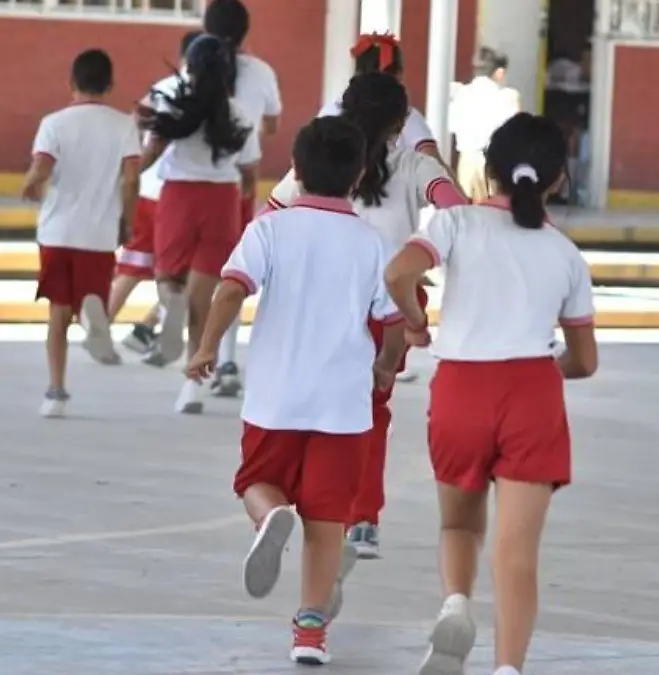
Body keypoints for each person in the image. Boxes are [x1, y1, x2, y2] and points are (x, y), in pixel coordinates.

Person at [184, 116, 407, 666]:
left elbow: (230, 290)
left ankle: (269, 516)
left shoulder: (269, 229)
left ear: (296, 171)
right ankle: (310, 632)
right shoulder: (373, 242)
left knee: (254, 482)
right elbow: (394, 320)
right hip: (344, 403)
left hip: (276, 396)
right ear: (358, 175)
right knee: (327, 522)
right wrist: (385, 366)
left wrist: (206, 347)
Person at [383, 113, 599, 675]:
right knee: (516, 556)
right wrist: (548, 368)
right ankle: (507, 669)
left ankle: (456, 603)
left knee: (458, 524)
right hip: (532, 394)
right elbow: (584, 361)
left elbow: (398, 274)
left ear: (487, 170)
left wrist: (415, 324)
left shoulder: (455, 223)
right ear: (557, 179)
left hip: (461, 389)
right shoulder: (565, 254)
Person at [262, 73, 467, 560]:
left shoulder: (324, 161)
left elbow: (271, 214)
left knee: (307, 403)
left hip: (320, 301)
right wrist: (425, 253)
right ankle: (362, 521)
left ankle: (289, 504)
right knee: (370, 411)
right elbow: (456, 209)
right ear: (400, 123)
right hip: (389, 305)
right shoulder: (416, 165)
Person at [138, 33, 260, 414]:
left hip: (179, 198)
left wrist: (121, 183)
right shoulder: (238, 114)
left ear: (188, 66)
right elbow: (250, 174)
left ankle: (168, 304)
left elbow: (150, 155)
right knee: (202, 302)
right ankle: (191, 388)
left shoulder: (175, 106)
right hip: (222, 202)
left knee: (167, 276)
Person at [23, 48, 141, 418]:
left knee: (57, 314)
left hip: (58, 232)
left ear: (71, 82)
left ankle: (55, 391)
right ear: (110, 84)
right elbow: (132, 179)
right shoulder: (124, 125)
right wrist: (127, 220)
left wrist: (30, 183)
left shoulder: (54, 123)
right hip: (99, 233)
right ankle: (91, 318)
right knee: (92, 296)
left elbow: (43, 166)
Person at [200, 0, 284, 398]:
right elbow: (272, 125)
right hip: (239, 183)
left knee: (188, 270)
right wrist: (247, 136)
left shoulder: (194, 65)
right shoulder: (262, 71)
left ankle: (169, 324)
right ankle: (226, 360)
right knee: (233, 271)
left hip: (192, 181)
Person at [109, 29, 203, 357]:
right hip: (178, 194)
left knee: (133, 267)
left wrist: (128, 169)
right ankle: (145, 325)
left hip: (148, 191)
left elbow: (133, 123)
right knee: (186, 273)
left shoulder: (163, 87)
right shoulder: (212, 93)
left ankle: (112, 327)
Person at [317, 32, 448, 172]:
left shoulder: (331, 111)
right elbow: (434, 164)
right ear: (397, 75)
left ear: (357, 71)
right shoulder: (405, 115)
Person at [450, 46, 519, 201]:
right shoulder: (508, 96)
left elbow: (452, 126)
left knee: (467, 206)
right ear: (500, 73)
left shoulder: (461, 93)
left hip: (466, 159)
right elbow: (515, 133)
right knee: (493, 207)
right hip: (492, 161)